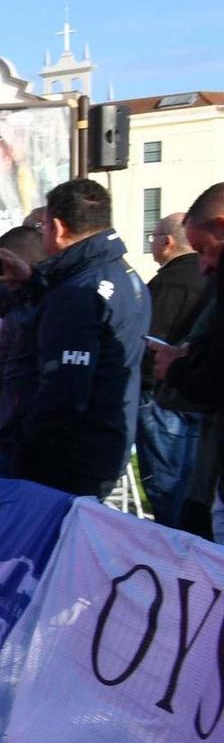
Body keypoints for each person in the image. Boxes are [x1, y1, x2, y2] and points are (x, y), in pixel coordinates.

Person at [0, 178, 150, 498]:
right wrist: (33, 282)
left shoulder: (79, 291)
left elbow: (63, 393)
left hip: (65, 460)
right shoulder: (124, 274)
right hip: (103, 444)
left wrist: (23, 449)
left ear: (56, 226)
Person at [135, 213, 209, 532]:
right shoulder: (209, 278)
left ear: (166, 242)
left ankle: (173, 548)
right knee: (196, 481)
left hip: (164, 397)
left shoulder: (167, 282)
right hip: (200, 397)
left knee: (167, 484)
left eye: (152, 237)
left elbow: (149, 341)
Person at [0, 226, 45, 464]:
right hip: (7, 436)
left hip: (30, 442)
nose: (1, 276)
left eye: (5, 266)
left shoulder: (51, 306)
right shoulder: (19, 302)